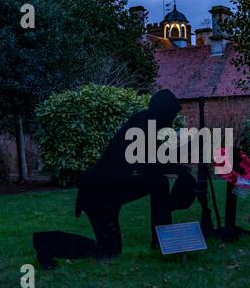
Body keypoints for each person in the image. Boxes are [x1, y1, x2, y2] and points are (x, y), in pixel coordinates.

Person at [33, 90, 196, 270]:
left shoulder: (148, 124)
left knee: (158, 183)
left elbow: (155, 161)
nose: (171, 121)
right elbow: (150, 164)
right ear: (163, 112)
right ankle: (46, 243)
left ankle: (162, 242)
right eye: (171, 115)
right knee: (108, 250)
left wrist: (179, 169)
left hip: (110, 189)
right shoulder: (143, 127)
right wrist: (180, 168)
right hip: (99, 193)